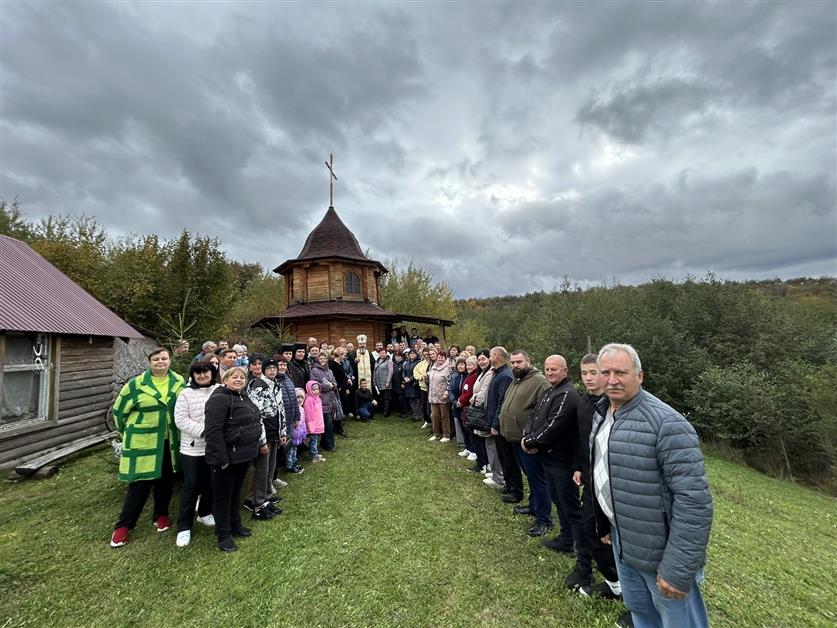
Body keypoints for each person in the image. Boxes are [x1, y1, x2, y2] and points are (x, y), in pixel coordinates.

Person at [591, 343, 712, 628]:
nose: (611, 380)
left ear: (639, 375)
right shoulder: (602, 412)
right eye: (605, 372)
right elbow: (604, 472)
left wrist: (678, 568)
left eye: (620, 372)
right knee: (641, 615)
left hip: (661, 553)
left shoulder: (667, 424)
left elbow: (694, 502)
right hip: (624, 541)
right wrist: (607, 524)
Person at [521, 355, 591, 587]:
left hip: (562, 461)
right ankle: (565, 538)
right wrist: (528, 437)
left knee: (571, 508)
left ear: (565, 371)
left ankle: (584, 560)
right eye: (547, 369)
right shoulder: (549, 391)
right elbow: (534, 416)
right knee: (558, 502)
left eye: (554, 369)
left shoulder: (567, 394)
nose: (549, 372)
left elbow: (553, 428)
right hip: (548, 458)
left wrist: (530, 442)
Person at [571, 355, 630, 625]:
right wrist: (579, 467)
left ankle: (636, 603)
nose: (589, 377)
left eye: (594, 372)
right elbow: (582, 441)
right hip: (592, 481)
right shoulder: (586, 402)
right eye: (584, 373)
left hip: (618, 487)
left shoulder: (615, 407)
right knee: (593, 532)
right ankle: (614, 584)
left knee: (625, 544)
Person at [109, 348, 186, 548]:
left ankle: (161, 514)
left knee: (165, 480)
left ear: (170, 361)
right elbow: (119, 413)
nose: (160, 362)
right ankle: (124, 525)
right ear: (149, 362)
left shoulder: (178, 381)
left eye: (164, 358)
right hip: (144, 441)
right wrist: (128, 434)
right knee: (139, 484)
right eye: (156, 359)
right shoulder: (135, 385)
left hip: (169, 442)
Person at [203, 366, 263, 552]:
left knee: (236, 492)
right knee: (223, 496)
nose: (238, 380)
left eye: (241, 377)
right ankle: (223, 535)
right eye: (234, 377)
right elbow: (213, 431)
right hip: (226, 458)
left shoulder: (242, 396)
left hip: (242, 456)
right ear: (225, 380)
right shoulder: (219, 399)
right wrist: (222, 458)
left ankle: (235, 525)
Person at [499, 350, 551, 537]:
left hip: (528, 441)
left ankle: (544, 520)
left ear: (528, 361)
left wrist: (532, 436)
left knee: (538, 480)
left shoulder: (540, 382)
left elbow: (545, 412)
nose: (515, 365)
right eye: (512, 362)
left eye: (519, 362)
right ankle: (533, 505)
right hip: (514, 438)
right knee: (529, 475)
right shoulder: (517, 379)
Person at [173, 359, 218, 547]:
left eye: (206, 372)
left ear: (211, 374)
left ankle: (205, 513)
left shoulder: (219, 390)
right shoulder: (185, 394)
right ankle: (184, 527)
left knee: (210, 483)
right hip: (192, 449)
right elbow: (181, 420)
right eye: (198, 372)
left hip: (214, 447)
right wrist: (204, 431)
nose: (202, 375)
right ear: (192, 375)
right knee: (192, 487)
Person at [245, 356, 285, 521]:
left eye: (274, 368)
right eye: (269, 368)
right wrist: (261, 440)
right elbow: (256, 414)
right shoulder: (257, 386)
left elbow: (280, 409)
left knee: (270, 466)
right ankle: (258, 503)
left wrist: (283, 431)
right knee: (261, 469)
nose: (272, 370)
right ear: (263, 370)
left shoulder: (276, 385)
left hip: (275, 430)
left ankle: (266, 497)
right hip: (264, 433)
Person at [486, 347, 519, 502]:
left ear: (497, 356)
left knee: (508, 458)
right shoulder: (498, 373)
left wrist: (495, 423)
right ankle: (508, 484)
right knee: (503, 456)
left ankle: (515, 490)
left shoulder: (505, 375)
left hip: (501, 423)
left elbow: (502, 401)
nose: (489, 357)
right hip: (497, 421)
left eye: (491, 355)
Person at [310, 352, 338, 451]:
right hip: (321, 400)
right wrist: (328, 386)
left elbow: (334, 381)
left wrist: (333, 385)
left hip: (331, 400)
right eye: (320, 358)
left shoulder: (329, 370)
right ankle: (330, 446)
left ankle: (325, 443)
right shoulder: (314, 370)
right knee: (328, 424)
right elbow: (314, 385)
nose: (322, 360)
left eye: (324, 358)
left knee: (328, 423)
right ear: (318, 359)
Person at [456, 355, 481, 463]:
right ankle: (468, 447)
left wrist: (461, 401)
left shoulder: (474, 376)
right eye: (468, 364)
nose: (469, 366)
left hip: (469, 406)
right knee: (465, 428)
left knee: (471, 431)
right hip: (464, 406)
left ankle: (473, 451)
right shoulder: (469, 375)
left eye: (471, 364)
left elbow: (470, 392)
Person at [427, 347, 452, 442]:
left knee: (444, 416)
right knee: (434, 416)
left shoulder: (448, 368)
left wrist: (446, 394)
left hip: (443, 397)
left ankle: (446, 435)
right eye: (438, 357)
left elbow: (450, 382)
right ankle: (436, 434)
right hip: (433, 396)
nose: (440, 359)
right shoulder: (433, 367)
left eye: (442, 357)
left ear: (445, 358)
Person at [448, 356, 469, 452]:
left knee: (466, 426)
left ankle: (469, 446)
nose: (460, 366)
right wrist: (454, 402)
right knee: (459, 424)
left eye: (462, 364)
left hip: (465, 405)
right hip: (456, 404)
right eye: (458, 365)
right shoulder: (454, 376)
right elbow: (450, 390)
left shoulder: (468, 376)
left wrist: (462, 402)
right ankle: (462, 443)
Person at [329, 348, 351, 435]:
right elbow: (332, 377)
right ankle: (338, 428)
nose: (345, 357)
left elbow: (343, 374)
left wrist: (347, 379)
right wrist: (338, 387)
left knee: (340, 407)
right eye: (344, 355)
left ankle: (338, 426)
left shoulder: (340, 363)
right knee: (337, 408)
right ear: (340, 354)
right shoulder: (332, 365)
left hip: (342, 389)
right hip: (337, 390)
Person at [303, 381, 326, 463]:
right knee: (313, 440)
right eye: (314, 390)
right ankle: (314, 456)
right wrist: (311, 426)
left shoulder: (318, 399)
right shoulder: (309, 400)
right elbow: (308, 414)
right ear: (309, 390)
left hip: (318, 424)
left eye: (317, 389)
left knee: (315, 440)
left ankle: (315, 453)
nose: (316, 391)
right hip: (313, 425)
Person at [287, 388, 307, 474]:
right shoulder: (293, 410)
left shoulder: (302, 409)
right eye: (297, 397)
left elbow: (303, 423)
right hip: (293, 434)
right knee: (290, 451)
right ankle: (290, 465)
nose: (299, 400)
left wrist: (304, 433)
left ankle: (294, 463)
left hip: (299, 435)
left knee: (295, 450)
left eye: (301, 397)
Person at [414, 347, 432, 428]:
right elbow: (415, 373)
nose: (426, 356)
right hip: (423, 388)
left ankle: (433, 422)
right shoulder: (420, 364)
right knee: (424, 406)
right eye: (424, 355)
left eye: (427, 354)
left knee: (431, 406)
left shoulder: (433, 363)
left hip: (432, 388)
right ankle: (427, 420)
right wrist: (421, 377)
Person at [373, 348, 394, 417]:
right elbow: (374, 372)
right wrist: (374, 381)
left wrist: (388, 382)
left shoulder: (389, 361)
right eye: (381, 353)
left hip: (386, 383)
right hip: (379, 383)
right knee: (381, 398)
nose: (382, 354)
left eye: (383, 353)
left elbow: (390, 372)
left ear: (386, 353)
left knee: (386, 398)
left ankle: (386, 413)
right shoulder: (377, 361)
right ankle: (384, 410)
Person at [402, 348, 421, 421]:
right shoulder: (406, 362)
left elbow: (418, 373)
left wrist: (410, 379)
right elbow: (403, 372)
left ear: (416, 354)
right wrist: (404, 378)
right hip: (408, 384)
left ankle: (418, 415)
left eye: (414, 353)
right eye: (411, 353)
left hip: (414, 383)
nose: (412, 355)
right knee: (411, 400)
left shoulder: (418, 362)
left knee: (417, 400)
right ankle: (414, 413)